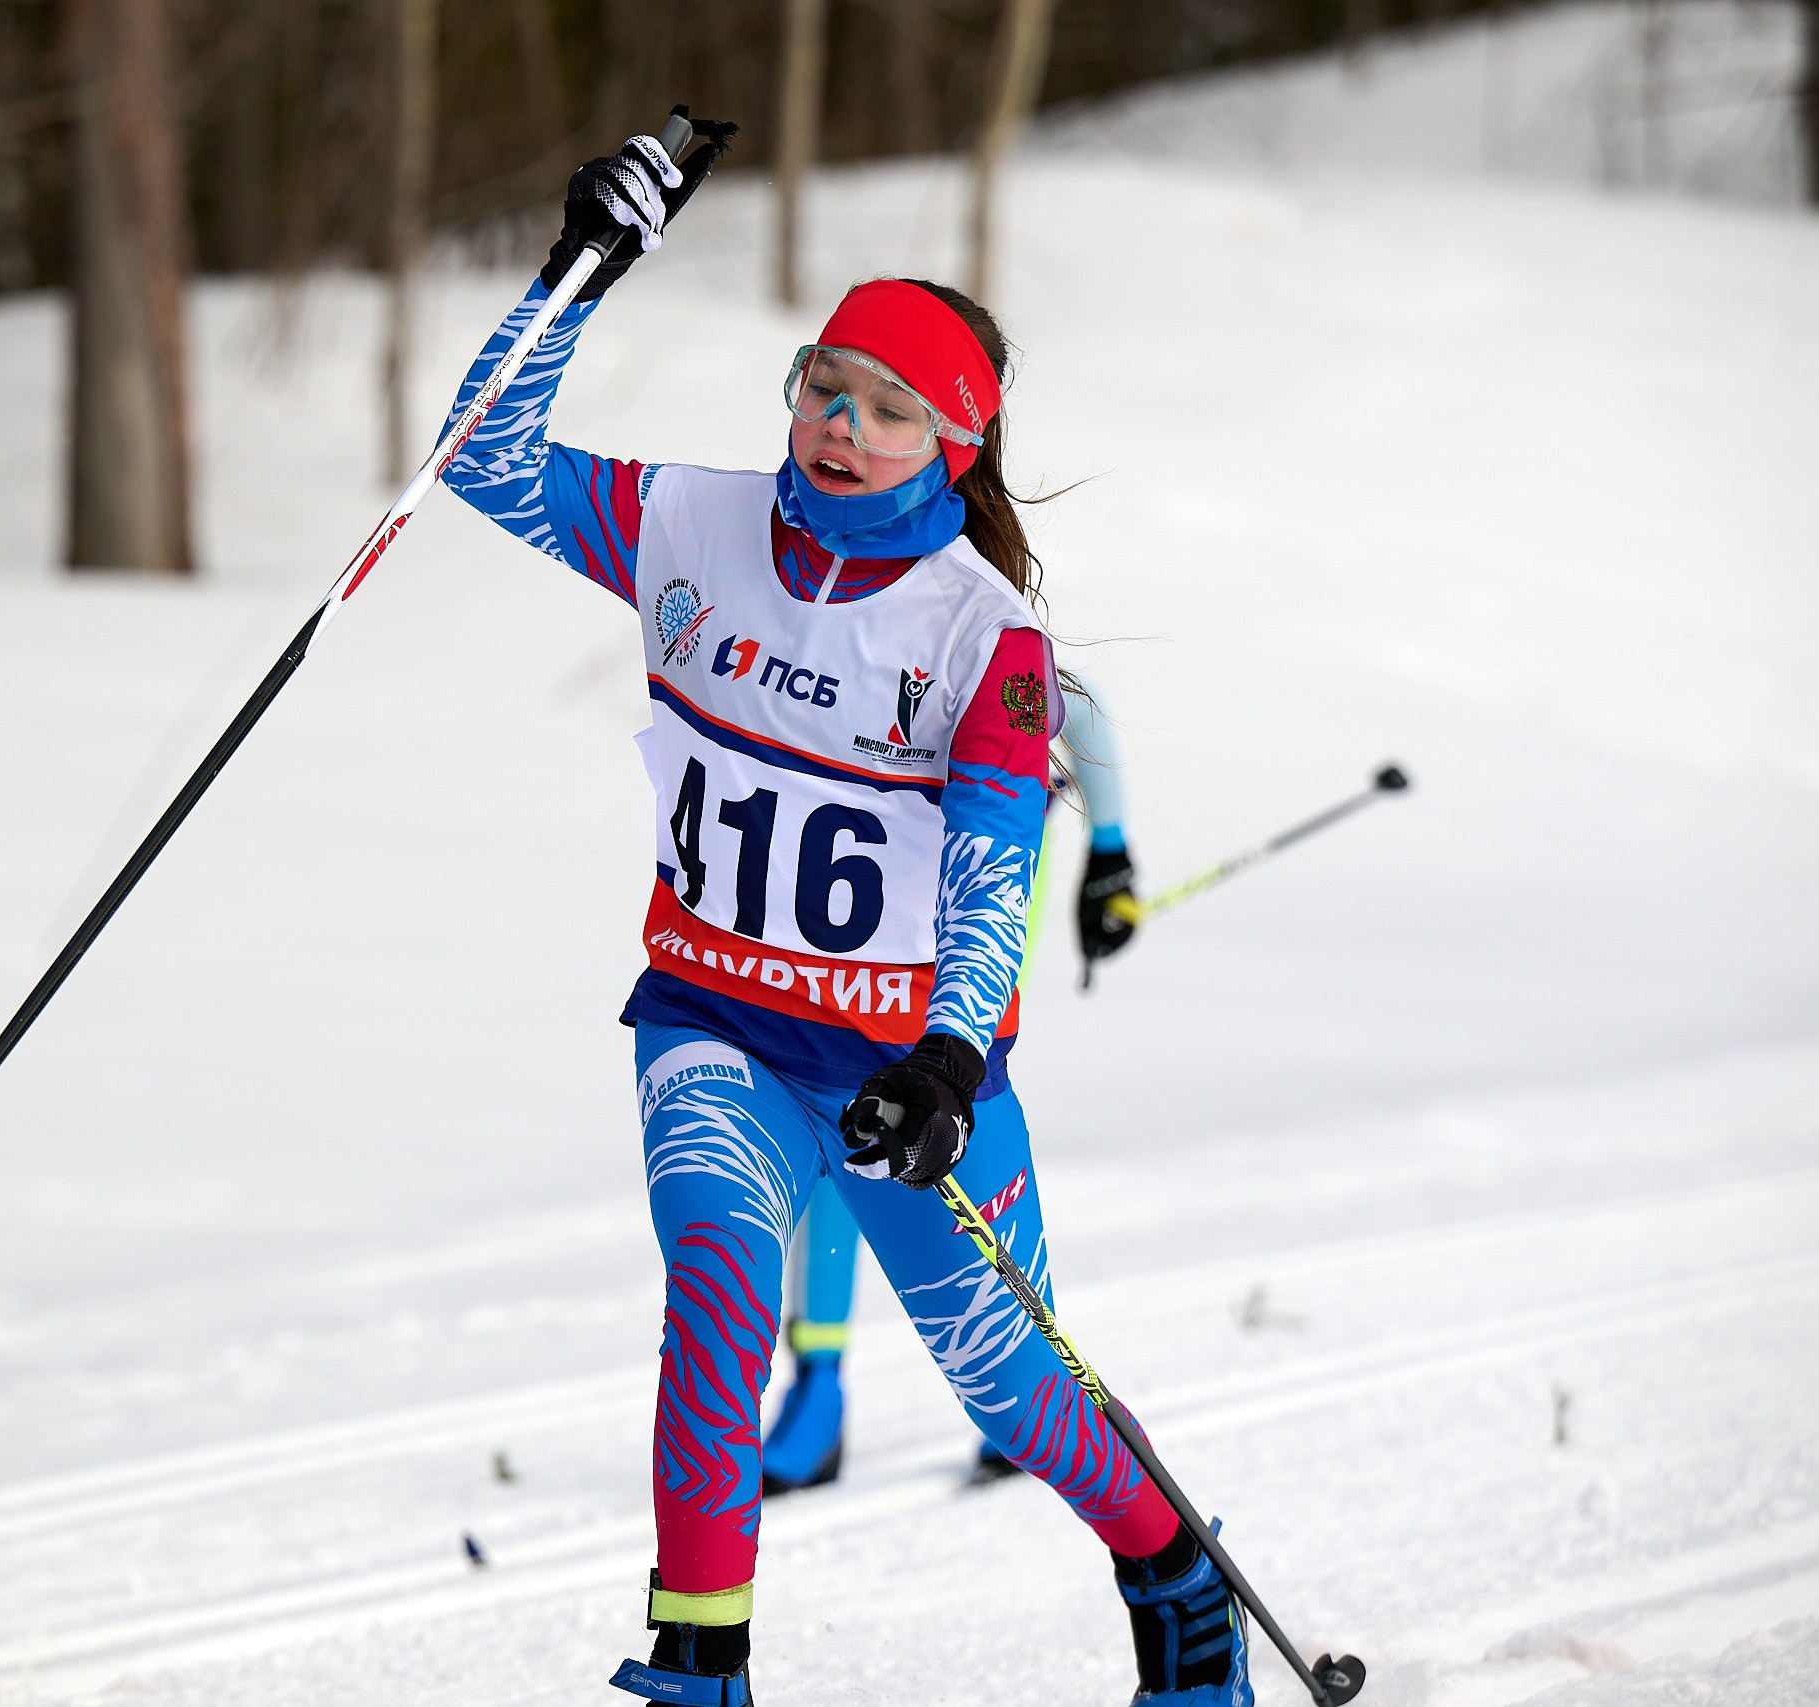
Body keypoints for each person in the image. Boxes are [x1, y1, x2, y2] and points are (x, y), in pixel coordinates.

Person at [436, 124, 1248, 1707]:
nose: (840, 425)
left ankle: (1172, 1567)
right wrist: (575, 271)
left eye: (886, 408)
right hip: (714, 1021)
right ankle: (701, 1659)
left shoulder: (984, 637)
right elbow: (475, 454)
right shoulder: (689, 525)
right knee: (723, 1279)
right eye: (823, 385)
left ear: (953, 443)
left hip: (901, 1077)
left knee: (1017, 1393)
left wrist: (949, 1058)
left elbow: (992, 870)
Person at [762, 688, 1143, 1493]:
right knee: (849, 1123)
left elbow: (1071, 699)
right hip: (859, 888)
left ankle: (1025, 1382)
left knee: (957, 1115)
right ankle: (819, 1383)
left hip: (980, 883)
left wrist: (1109, 854)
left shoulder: (981, 615)